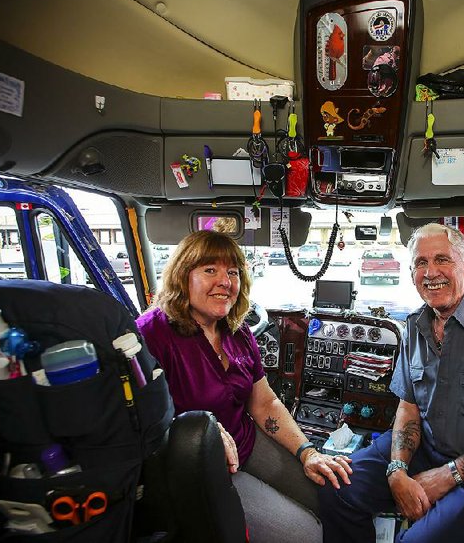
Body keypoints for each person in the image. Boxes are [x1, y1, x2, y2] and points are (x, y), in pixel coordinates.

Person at [318, 223, 464, 542]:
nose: (431, 272)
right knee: (336, 486)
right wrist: (396, 468)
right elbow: (408, 408)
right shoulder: (413, 326)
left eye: (442, 260)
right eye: (421, 263)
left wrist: (451, 474)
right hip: (425, 447)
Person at [137, 230, 352, 543]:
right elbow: (140, 422)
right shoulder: (152, 334)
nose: (225, 282)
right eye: (210, 270)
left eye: (233, 272)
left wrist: (308, 452)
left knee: (328, 494)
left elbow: (264, 403)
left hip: (245, 440)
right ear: (183, 276)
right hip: (197, 464)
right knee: (304, 535)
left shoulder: (237, 331)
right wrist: (199, 432)